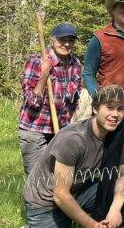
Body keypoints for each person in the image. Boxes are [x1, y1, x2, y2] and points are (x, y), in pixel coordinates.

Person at [10, 85, 124, 228]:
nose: (115, 114)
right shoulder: (73, 139)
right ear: (95, 108)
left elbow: (123, 175)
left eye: (120, 109)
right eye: (109, 107)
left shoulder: (120, 135)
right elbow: (60, 194)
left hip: (77, 190)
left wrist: (114, 210)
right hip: (45, 200)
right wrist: (92, 226)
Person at [19, 22, 82, 176]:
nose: (67, 44)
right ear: (52, 41)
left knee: (61, 180)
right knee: (37, 181)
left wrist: (74, 132)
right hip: (35, 131)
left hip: (60, 131)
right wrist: (44, 75)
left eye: (71, 40)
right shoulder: (38, 61)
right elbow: (31, 102)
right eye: (62, 40)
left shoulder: (75, 64)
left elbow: (73, 103)